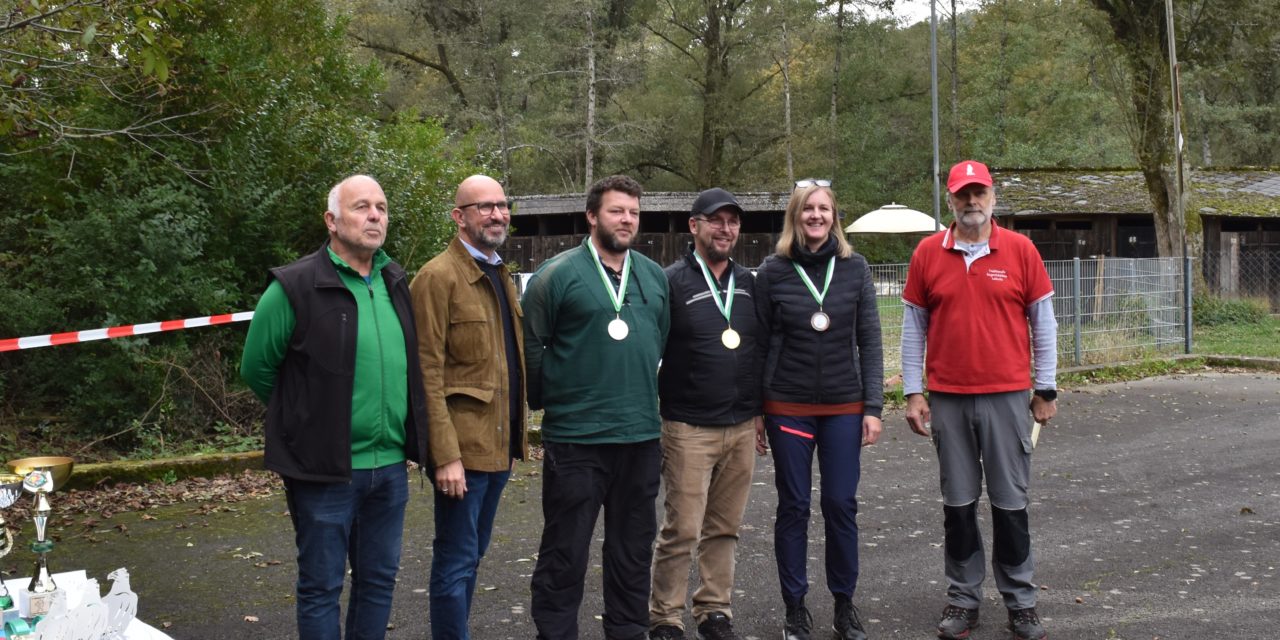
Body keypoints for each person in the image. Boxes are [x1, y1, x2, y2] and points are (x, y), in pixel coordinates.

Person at [240, 174, 429, 640]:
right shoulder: (295, 286)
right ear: (332, 220)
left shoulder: (394, 279)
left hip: (388, 469)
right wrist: (307, 419)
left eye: (381, 207)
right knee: (322, 587)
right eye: (362, 206)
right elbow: (258, 368)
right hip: (325, 472)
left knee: (379, 582)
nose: (375, 216)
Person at [901, 160, 1058, 640]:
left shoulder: (1020, 250)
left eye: (979, 193)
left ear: (993, 196)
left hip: (1009, 398)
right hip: (948, 399)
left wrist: (1045, 388)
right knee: (958, 504)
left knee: (1011, 503)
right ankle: (963, 598)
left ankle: (1021, 601)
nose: (972, 202)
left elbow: (1044, 324)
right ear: (950, 199)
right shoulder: (928, 253)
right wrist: (913, 392)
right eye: (962, 194)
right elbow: (913, 330)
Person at [523, 175, 671, 640]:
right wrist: (565, 397)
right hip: (576, 440)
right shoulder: (556, 276)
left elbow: (659, 338)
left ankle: (628, 632)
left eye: (633, 212)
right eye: (616, 211)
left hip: (641, 437)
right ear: (592, 216)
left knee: (632, 552)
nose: (626, 220)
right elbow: (532, 349)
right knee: (565, 552)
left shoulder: (652, 276)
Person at [754, 179, 883, 640]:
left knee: (840, 504)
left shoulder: (855, 268)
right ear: (795, 216)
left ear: (834, 216)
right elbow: (759, 344)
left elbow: (869, 339)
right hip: (786, 406)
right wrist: (756, 411)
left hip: (845, 406)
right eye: (807, 209)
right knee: (794, 505)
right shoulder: (772, 271)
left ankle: (844, 605)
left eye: (824, 209)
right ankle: (795, 608)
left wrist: (873, 407)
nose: (816, 216)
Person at [409, 175, 528, 640]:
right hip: (463, 452)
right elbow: (425, 374)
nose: (497, 215)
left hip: (497, 447)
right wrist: (445, 455)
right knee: (456, 560)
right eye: (484, 207)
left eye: (502, 205)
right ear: (459, 217)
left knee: (472, 554)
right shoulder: (437, 277)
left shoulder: (499, 274)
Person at [648, 189, 763, 640]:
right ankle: (665, 616)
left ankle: (714, 609)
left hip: (739, 425)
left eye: (733, 221)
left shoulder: (750, 283)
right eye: (716, 220)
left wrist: (759, 413)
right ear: (694, 226)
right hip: (687, 427)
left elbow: (757, 349)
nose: (726, 229)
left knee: (725, 527)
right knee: (682, 529)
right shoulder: (670, 282)